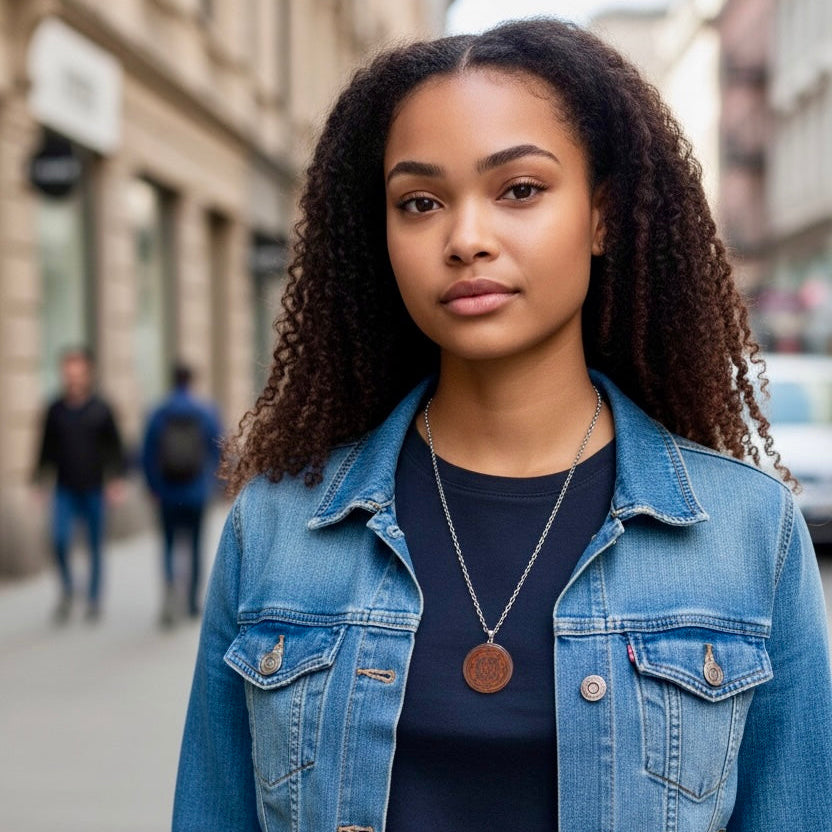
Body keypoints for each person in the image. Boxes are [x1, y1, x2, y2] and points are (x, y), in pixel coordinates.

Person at [173, 19, 832, 831]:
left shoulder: (747, 533)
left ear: (602, 217)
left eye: (519, 189)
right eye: (420, 202)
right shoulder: (274, 529)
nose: (466, 239)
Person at [33, 346, 127, 622]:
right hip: (64, 488)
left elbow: (116, 447)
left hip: (95, 487)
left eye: (77, 374)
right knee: (60, 540)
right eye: (68, 374)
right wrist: (39, 481)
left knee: (95, 545)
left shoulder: (101, 408)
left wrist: (116, 479)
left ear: (88, 374)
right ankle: (67, 590)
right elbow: (44, 448)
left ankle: (94, 598)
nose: (72, 379)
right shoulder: (55, 409)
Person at [141, 362, 223, 626]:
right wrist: (215, 485)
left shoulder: (158, 412)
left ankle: (169, 593)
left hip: (167, 491)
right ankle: (191, 602)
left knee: (168, 544)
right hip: (197, 492)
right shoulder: (206, 411)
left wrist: (152, 487)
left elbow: (146, 454)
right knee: (196, 545)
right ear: (191, 381)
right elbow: (219, 450)